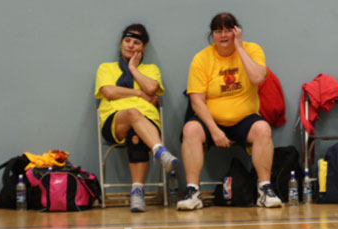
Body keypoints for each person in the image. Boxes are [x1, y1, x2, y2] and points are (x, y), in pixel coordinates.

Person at [177, 12, 282, 211]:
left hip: (245, 119)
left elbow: (258, 78)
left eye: (227, 31)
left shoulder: (252, 49)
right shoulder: (201, 59)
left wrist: (240, 48)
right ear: (212, 34)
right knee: (190, 130)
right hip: (211, 121)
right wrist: (214, 130)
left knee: (263, 129)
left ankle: (265, 190)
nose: (223, 36)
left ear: (236, 32)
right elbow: (197, 101)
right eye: (218, 31)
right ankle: (193, 192)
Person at [95, 24, 178, 212]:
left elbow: (151, 88)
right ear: (121, 42)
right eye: (127, 41)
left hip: (147, 124)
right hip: (115, 121)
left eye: (136, 42)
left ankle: (137, 193)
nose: (131, 46)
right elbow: (108, 91)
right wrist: (138, 94)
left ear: (144, 47)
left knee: (137, 136)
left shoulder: (151, 69)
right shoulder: (106, 68)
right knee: (133, 113)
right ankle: (161, 152)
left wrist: (133, 68)